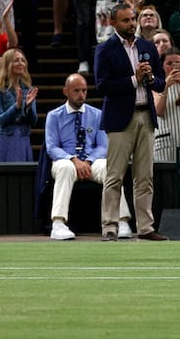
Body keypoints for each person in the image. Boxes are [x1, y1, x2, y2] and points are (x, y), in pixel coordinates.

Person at [95, 2, 167, 240]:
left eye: (133, 19)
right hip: (119, 119)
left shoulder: (147, 46)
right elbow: (102, 86)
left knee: (145, 176)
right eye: (126, 20)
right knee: (114, 176)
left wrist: (149, 78)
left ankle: (146, 228)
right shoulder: (105, 49)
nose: (131, 24)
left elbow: (160, 83)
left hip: (146, 115)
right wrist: (134, 80)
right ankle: (110, 227)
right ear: (113, 23)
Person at [43, 73, 132, 240]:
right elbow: (52, 147)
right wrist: (73, 159)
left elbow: (103, 146)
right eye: (76, 91)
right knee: (64, 168)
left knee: (109, 168)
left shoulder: (97, 114)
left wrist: (88, 161)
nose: (81, 95)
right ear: (66, 91)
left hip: (92, 161)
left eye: (84, 90)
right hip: (67, 160)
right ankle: (58, 223)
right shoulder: (54, 116)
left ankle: (121, 221)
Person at [0, 47, 37, 162]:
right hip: (4, 139)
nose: (21, 63)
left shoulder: (28, 89)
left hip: (22, 139)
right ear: (7, 64)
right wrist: (16, 107)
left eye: (22, 60)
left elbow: (33, 121)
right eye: (16, 60)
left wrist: (28, 107)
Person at [153, 47, 180, 165]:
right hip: (164, 140)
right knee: (165, 178)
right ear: (162, 66)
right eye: (169, 63)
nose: (174, 66)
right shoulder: (156, 86)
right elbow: (159, 111)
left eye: (177, 63)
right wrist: (166, 86)